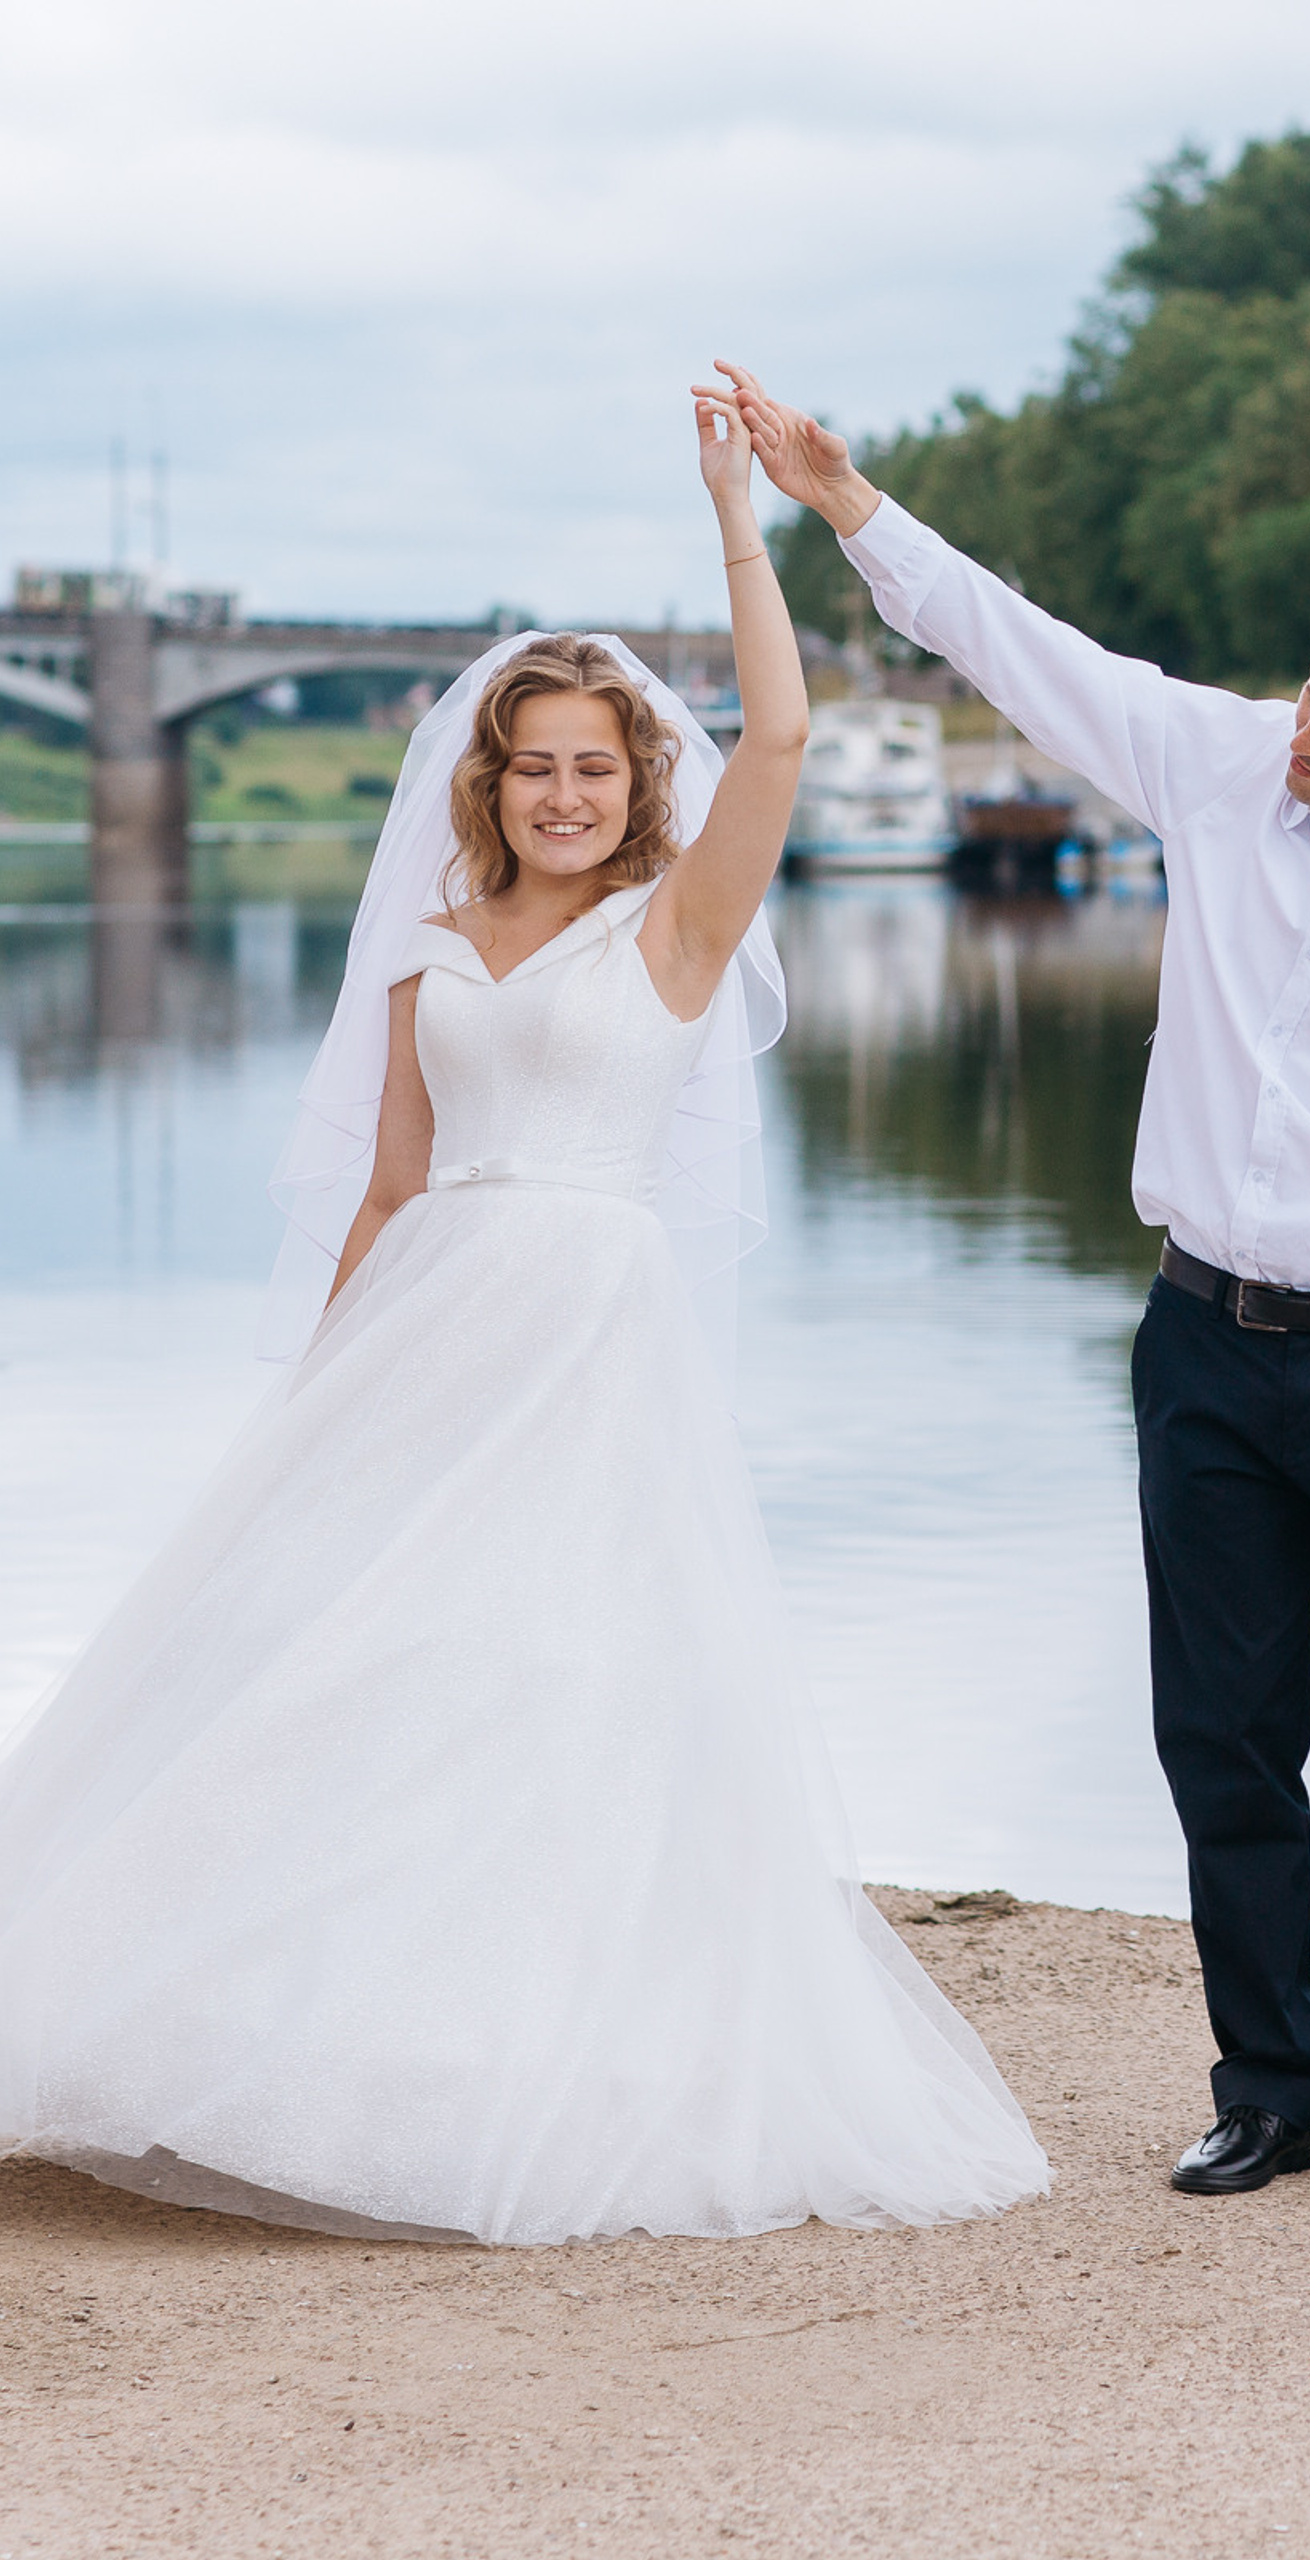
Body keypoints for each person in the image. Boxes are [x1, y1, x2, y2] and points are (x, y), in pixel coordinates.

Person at [0, 379, 1050, 2246]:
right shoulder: (423, 943)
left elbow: (789, 736)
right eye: (534, 764)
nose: (567, 791)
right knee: (356, 1662)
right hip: (428, 1321)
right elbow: (394, 1184)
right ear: (485, 782)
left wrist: (744, 520)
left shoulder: (678, 930)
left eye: (597, 762)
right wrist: (317, 1393)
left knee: (563, 1670)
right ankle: (310, 2049)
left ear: (641, 779)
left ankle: (530, 2067)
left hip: (589, 1327)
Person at [727, 364, 1310, 2201]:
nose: (1306, 737)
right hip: (1206, 1343)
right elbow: (1025, 648)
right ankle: (1265, 2089)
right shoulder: (1223, 769)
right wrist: (846, 501)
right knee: (1220, 1739)